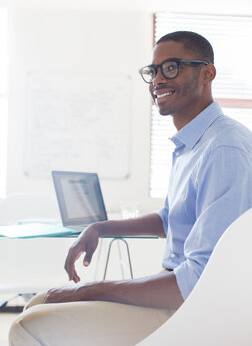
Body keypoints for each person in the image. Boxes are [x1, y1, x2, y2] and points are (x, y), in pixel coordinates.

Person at [9, 31, 252, 345]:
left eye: (172, 67)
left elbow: (198, 279)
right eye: (153, 71)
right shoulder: (192, 145)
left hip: (198, 308)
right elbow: (170, 219)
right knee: (37, 303)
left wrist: (88, 288)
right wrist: (101, 227)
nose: (157, 81)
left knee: (26, 326)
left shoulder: (224, 149)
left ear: (207, 72)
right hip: (178, 290)